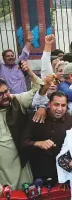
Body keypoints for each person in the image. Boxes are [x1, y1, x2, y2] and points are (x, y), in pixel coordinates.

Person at [0, 61, 42, 190]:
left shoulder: (16, 101)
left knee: (25, 191)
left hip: (20, 160)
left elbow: (39, 87)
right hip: (2, 168)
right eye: (0, 94)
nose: (5, 96)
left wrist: (29, 72)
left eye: (6, 91)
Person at [22, 91, 72, 183]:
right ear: (49, 104)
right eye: (56, 104)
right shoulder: (36, 117)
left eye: (63, 105)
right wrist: (38, 143)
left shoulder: (70, 121)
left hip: (60, 173)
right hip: (37, 172)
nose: (59, 109)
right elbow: (23, 142)